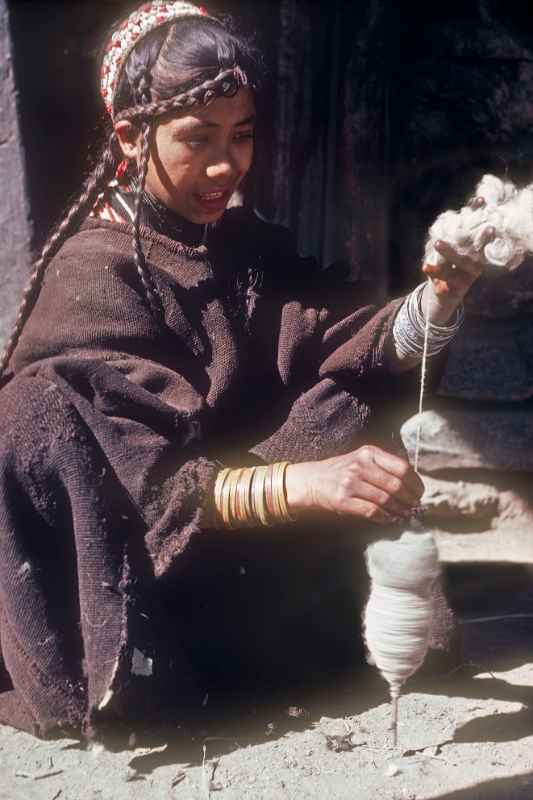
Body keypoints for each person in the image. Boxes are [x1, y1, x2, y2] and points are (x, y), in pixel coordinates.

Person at [0, 1, 488, 741]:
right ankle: (145, 680)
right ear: (133, 138)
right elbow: (141, 487)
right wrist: (303, 483)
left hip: (232, 560)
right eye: (198, 140)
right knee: (33, 411)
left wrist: (442, 296)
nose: (227, 165)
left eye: (244, 135)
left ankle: (278, 634)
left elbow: (334, 341)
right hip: (141, 584)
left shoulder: (242, 243)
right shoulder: (90, 277)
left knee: (346, 390)